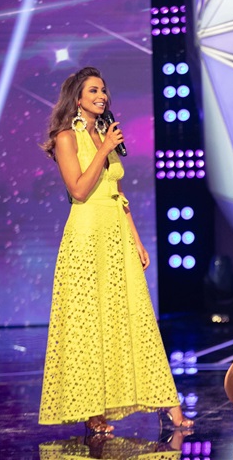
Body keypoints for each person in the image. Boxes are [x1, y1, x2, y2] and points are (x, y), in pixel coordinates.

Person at [38, 66, 194, 434]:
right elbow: (79, 190)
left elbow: (118, 195)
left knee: (137, 316)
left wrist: (136, 239)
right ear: (78, 99)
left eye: (104, 90)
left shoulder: (104, 134)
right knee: (90, 324)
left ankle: (170, 407)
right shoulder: (66, 137)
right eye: (93, 90)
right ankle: (93, 411)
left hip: (116, 234)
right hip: (86, 236)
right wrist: (105, 148)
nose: (102, 96)